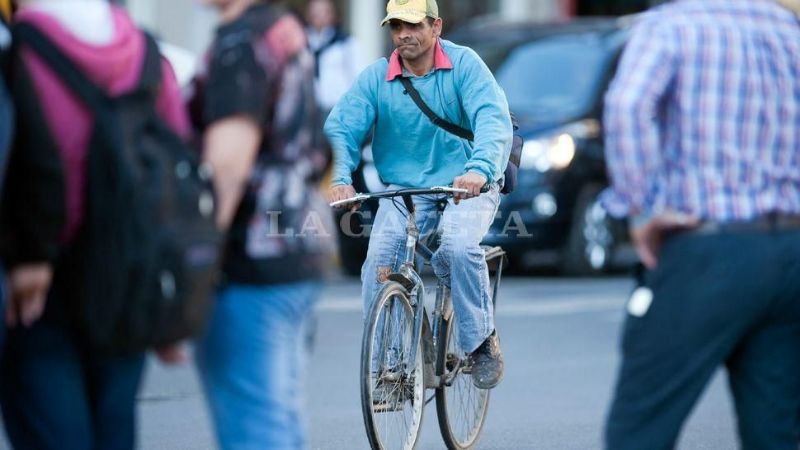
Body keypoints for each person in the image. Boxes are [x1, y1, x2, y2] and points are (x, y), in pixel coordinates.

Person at [602, 1, 800, 448]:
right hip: (791, 248)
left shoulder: (669, 27)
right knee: (775, 431)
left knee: (641, 425)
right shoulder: (789, 30)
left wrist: (641, 206)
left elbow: (628, 106)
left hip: (708, 246)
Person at [0, 0, 191, 448]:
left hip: (41, 280)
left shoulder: (18, 50)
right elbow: (178, 170)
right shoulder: (147, 54)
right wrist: (174, 306)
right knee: (115, 429)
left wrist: (28, 252)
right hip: (130, 274)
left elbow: (21, 160)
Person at [325, 0, 512, 389]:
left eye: (413, 25)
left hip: (468, 185)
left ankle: (481, 343)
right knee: (379, 261)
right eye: (396, 26)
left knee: (457, 247)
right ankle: (391, 367)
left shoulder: (465, 65)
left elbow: (492, 120)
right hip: (406, 191)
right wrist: (341, 178)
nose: (403, 34)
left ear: (436, 27)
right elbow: (340, 129)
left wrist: (478, 170)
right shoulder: (376, 78)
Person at [190, 0, 332, 448]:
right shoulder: (282, 29)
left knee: (258, 431)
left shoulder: (243, 43)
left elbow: (226, 170)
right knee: (279, 421)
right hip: (295, 248)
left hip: (250, 259)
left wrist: (195, 264)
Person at [305, 0, 363, 115]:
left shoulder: (345, 43)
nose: (318, 16)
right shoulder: (304, 42)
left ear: (331, 14)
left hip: (339, 108)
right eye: (314, 12)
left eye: (322, 11)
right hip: (311, 111)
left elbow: (358, 76)